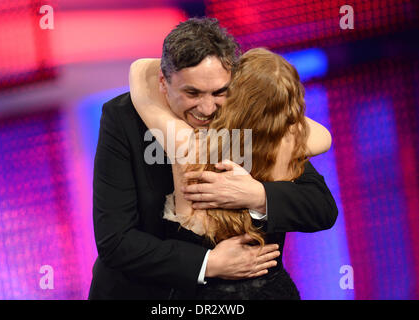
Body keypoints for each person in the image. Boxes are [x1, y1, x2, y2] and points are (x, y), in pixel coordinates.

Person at [88, 17, 337, 300]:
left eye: (220, 92)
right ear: (163, 81)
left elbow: (321, 208)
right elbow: (115, 240)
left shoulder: (253, 114)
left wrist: (255, 195)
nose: (207, 109)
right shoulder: (123, 119)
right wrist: (208, 264)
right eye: (191, 93)